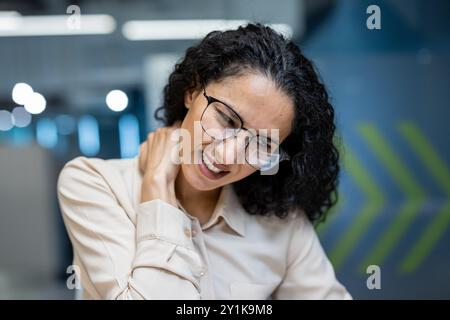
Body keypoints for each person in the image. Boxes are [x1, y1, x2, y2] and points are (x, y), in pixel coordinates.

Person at [57, 23, 351, 300]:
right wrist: (157, 187)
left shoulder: (282, 224)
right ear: (192, 91)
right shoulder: (95, 184)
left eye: (262, 143)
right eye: (226, 119)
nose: (227, 156)